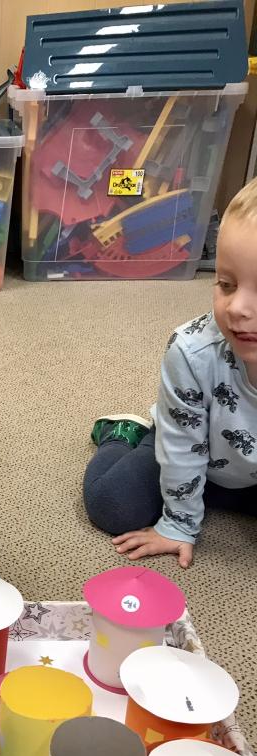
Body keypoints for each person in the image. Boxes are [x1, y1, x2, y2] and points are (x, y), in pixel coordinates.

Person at [83, 176, 257, 567]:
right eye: (226, 284)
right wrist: (179, 524)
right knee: (113, 505)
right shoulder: (192, 351)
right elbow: (183, 448)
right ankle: (121, 433)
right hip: (187, 447)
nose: (237, 308)